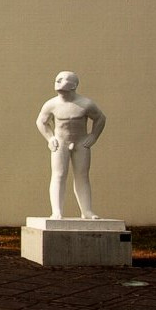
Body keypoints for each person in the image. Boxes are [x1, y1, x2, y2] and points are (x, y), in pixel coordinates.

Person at [35, 71, 106, 220]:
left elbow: (100, 118)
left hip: (81, 143)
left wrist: (93, 136)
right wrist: (50, 138)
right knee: (59, 175)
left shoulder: (86, 104)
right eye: (57, 79)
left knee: (82, 176)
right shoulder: (51, 104)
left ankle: (86, 211)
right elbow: (41, 122)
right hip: (60, 143)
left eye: (63, 79)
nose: (58, 81)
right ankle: (56, 211)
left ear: (74, 85)